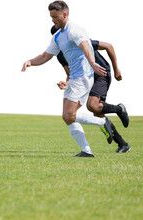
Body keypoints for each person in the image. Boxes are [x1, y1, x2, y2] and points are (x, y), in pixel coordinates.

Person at [21, 1, 114, 157]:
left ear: (65, 14)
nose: (52, 20)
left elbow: (86, 47)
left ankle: (103, 122)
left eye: (55, 16)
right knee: (67, 117)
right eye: (51, 17)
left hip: (83, 77)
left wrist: (92, 63)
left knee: (69, 115)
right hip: (74, 78)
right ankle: (86, 151)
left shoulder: (75, 30)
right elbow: (45, 56)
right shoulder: (58, 36)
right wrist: (30, 61)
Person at [52, 26, 131, 153]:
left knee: (93, 105)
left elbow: (108, 46)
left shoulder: (79, 40)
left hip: (100, 73)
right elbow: (70, 73)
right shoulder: (60, 54)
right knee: (97, 113)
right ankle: (123, 144)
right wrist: (66, 84)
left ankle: (119, 109)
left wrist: (116, 69)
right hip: (82, 79)